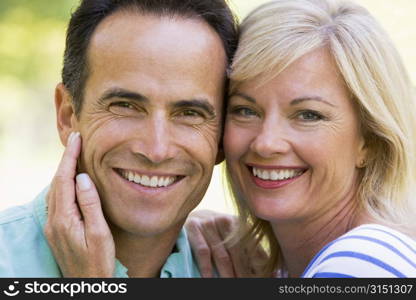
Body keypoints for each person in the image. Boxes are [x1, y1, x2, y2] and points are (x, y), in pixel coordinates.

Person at [0, 0, 238, 277]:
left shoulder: (244, 271)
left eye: (190, 113)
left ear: (222, 136)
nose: (156, 150)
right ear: (67, 115)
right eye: (125, 106)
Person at [185, 0, 416, 278]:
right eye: (245, 110)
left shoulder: (361, 263)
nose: (266, 143)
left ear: (370, 140)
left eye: (308, 115)